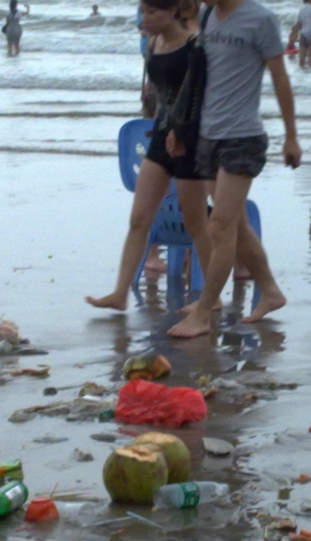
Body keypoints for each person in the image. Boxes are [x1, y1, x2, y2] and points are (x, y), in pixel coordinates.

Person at [166, 0, 301, 337]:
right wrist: (180, 127)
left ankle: (203, 313)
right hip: (208, 136)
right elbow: (199, 78)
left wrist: (291, 137)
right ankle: (270, 291)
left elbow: (280, 79)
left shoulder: (261, 19)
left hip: (243, 138)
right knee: (235, 224)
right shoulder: (208, 16)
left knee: (220, 226)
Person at [85, 0, 214, 313]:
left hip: (188, 141)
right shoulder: (154, 44)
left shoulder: (194, 47)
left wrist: (182, 133)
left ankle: (212, 297)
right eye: (143, 12)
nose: (145, 18)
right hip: (160, 137)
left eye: (153, 12)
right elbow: (161, 95)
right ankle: (120, 293)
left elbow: (200, 100)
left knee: (196, 223)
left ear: (172, 12)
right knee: (139, 218)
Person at [296, 0, 311, 67]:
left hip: (304, 34)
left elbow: (299, 23)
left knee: (302, 58)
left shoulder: (302, 8)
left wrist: (298, 34)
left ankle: (301, 72)